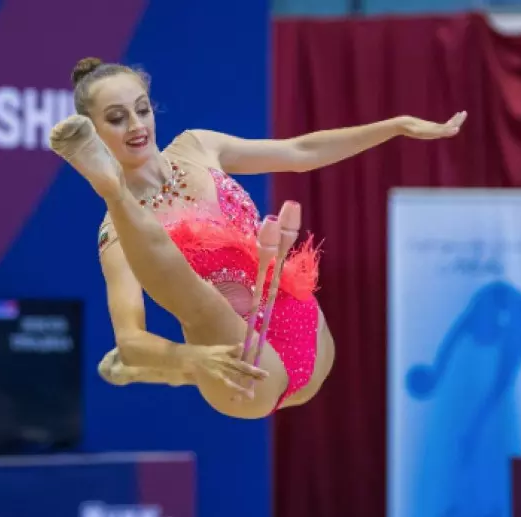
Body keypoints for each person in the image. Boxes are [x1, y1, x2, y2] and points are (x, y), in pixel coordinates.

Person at [49, 57, 466, 419]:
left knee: (252, 272)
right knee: (200, 296)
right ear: (95, 133)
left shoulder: (197, 146)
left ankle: (167, 373)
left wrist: (394, 126)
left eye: (141, 110)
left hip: (309, 343)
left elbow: (301, 152)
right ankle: (112, 189)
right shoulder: (114, 234)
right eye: (117, 118)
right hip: (243, 374)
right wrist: (197, 359)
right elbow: (131, 340)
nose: (137, 125)